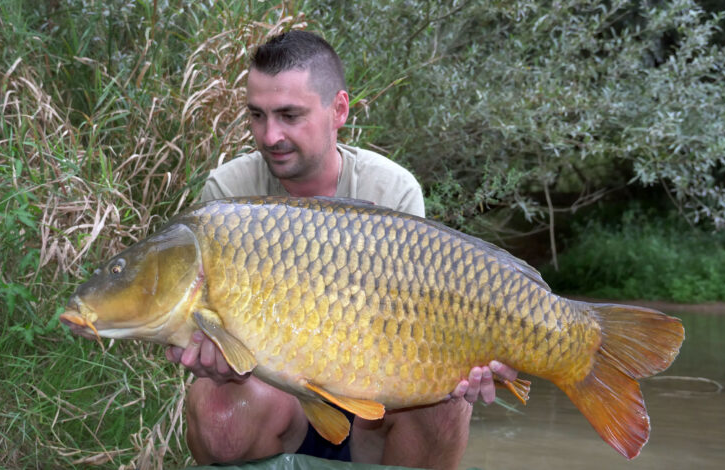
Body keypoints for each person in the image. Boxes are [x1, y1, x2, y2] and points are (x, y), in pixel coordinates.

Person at [165, 30, 518, 469]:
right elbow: (216, 334)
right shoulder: (229, 193)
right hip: (280, 401)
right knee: (217, 407)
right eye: (257, 115)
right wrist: (213, 357)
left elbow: (426, 320)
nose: (269, 135)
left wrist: (464, 364)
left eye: (290, 115)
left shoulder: (391, 189)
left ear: (339, 110)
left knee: (445, 406)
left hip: (371, 408)